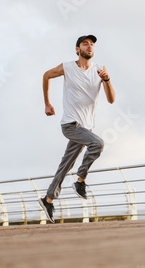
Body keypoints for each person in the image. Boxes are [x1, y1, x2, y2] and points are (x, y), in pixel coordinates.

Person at [38, 34, 115, 223]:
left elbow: (111, 99)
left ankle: (48, 199)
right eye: (85, 44)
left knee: (65, 165)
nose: (89, 47)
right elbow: (46, 75)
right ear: (77, 49)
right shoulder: (67, 67)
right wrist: (47, 103)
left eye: (92, 44)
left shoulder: (100, 69)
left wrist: (107, 80)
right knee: (98, 143)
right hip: (70, 125)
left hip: (85, 127)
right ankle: (80, 181)